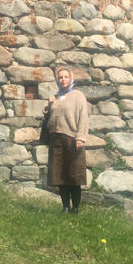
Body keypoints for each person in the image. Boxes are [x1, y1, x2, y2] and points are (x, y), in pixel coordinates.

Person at [43, 64, 89, 213]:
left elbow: (83, 116)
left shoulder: (77, 95)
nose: (63, 80)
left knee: (74, 174)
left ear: (71, 79)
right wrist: (49, 105)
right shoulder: (56, 97)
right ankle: (65, 207)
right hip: (56, 140)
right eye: (60, 78)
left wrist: (80, 137)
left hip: (72, 139)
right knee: (59, 175)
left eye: (65, 77)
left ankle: (75, 208)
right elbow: (48, 118)